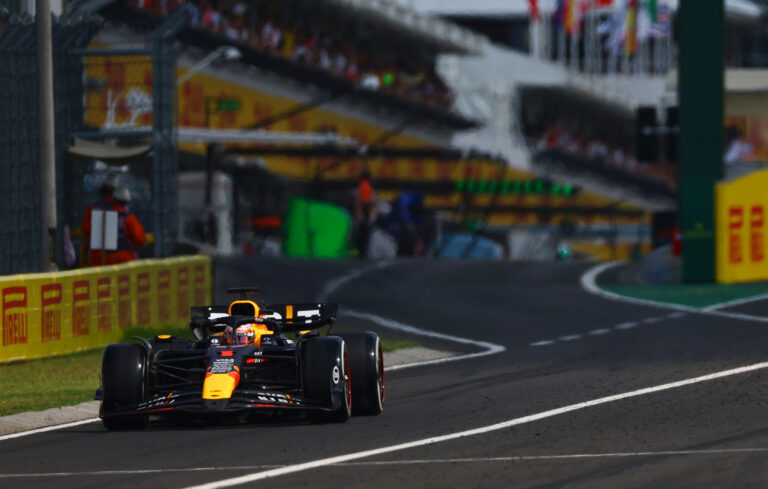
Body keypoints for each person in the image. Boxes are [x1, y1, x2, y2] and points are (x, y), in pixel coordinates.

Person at [86, 186, 149, 266]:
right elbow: (140, 238)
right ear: (127, 202)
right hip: (125, 259)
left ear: (114, 199)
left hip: (104, 259)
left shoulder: (103, 216)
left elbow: (87, 231)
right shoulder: (129, 218)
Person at [354, 170, 376, 258]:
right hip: (365, 213)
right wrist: (373, 201)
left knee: (363, 234)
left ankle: (362, 251)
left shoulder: (363, 185)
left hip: (364, 213)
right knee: (364, 234)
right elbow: (364, 200)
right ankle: (362, 252)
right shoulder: (365, 185)